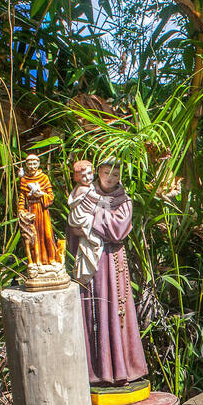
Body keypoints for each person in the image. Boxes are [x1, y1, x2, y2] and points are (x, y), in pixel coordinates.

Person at [66, 161, 148, 386]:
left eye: (115, 174)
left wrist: (92, 216)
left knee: (115, 309)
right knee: (93, 309)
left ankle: (121, 370)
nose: (110, 178)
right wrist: (87, 220)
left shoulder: (124, 201)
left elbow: (117, 230)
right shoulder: (86, 194)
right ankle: (94, 371)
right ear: (97, 174)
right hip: (91, 262)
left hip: (112, 262)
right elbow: (74, 226)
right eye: (105, 173)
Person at [18, 154, 64, 269]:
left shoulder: (43, 177)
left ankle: (51, 259)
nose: (32, 166)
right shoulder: (24, 180)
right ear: (26, 165)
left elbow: (51, 196)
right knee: (34, 237)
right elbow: (22, 197)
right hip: (31, 212)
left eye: (34, 164)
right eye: (29, 164)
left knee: (47, 234)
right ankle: (36, 261)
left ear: (38, 164)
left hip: (43, 211)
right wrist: (20, 210)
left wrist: (42, 195)